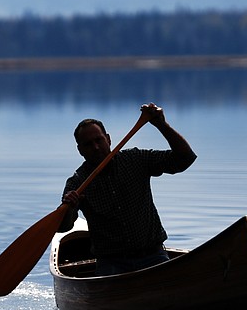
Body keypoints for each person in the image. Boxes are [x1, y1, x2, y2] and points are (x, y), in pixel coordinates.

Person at [56, 103, 196, 276]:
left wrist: (161, 125)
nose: (96, 147)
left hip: (152, 255)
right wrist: (68, 208)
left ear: (108, 139)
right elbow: (64, 227)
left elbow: (185, 159)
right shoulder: (77, 182)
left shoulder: (136, 159)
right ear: (80, 150)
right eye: (88, 144)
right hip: (112, 263)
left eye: (99, 140)